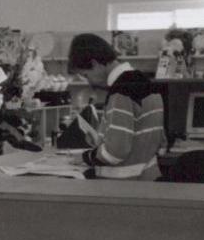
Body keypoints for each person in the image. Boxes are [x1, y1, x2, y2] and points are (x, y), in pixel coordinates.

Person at [67, 33, 165, 180]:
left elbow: (116, 152)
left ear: (95, 63)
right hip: (148, 178)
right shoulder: (146, 83)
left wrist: (86, 157)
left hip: (124, 185)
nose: (89, 82)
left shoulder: (120, 91)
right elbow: (159, 141)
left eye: (86, 75)